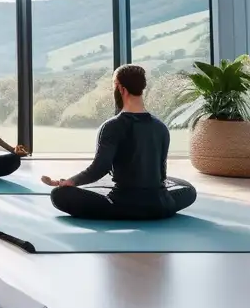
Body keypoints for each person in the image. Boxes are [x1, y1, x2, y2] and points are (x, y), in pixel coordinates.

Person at [41, 64, 197, 221]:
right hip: (160, 205)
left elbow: (99, 169)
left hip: (123, 205)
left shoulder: (112, 126)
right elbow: (161, 175)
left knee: (59, 195)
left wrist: (71, 181)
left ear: (121, 89)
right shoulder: (161, 127)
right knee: (189, 190)